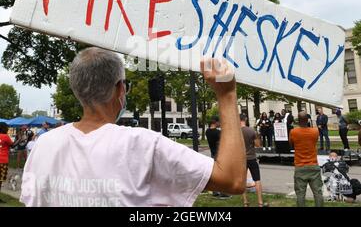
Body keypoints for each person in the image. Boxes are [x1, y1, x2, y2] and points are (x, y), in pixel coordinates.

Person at [20, 48, 247, 207]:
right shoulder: (142, 145)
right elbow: (233, 180)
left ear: (77, 90)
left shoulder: (44, 145)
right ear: (120, 89)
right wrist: (226, 95)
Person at [289, 111, 324, 207]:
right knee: (318, 192)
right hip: (313, 165)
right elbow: (314, 142)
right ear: (308, 120)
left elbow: (291, 145)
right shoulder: (315, 131)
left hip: (300, 166)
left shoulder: (293, 132)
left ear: (298, 120)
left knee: (300, 194)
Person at [240, 114, 268, 207]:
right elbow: (258, 145)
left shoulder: (236, 132)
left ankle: (245, 202)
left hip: (241, 159)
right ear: (246, 119)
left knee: (242, 180)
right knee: (257, 179)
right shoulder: (251, 130)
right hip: (252, 157)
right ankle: (260, 202)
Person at [205, 116, 231, 199]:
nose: (220, 123)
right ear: (215, 122)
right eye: (219, 122)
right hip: (220, 154)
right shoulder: (218, 133)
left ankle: (215, 191)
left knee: (214, 174)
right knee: (222, 174)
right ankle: (223, 192)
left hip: (213, 154)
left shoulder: (207, 131)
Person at [0, 122, 14, 202]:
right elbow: (12, 145)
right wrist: (20, 140)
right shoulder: (5, 136)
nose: (8, 129)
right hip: (3, 161)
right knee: (0, 180)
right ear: (3, 128)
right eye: (6, 127)